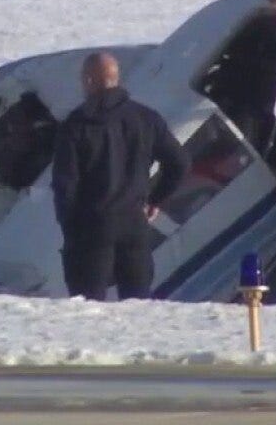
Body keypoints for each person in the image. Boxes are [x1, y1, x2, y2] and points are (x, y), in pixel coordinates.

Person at [51, 51, 189, 301]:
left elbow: (65, 186)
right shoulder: (146, 118)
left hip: (91, 228)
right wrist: (155, 199)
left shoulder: (76, 125)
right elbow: (179, 163)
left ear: (90, 81)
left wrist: (70, 233)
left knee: (89, 307)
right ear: (117, 78)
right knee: (137, 306)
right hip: (134, 225)